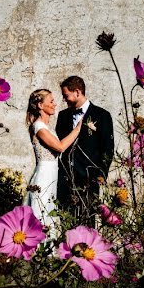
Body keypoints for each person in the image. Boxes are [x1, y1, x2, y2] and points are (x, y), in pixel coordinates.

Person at [55, 76, 114, 218]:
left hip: (89, 180)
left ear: (77, 92)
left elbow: (108, 149)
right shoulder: (63, 116)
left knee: (87, 223)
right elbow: (59, 144)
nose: (64, 100)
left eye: (66, 95)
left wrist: (100, 175)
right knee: (65, 222)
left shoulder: (102, 115)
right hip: (66, 180)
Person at [24, 89, 83, 232]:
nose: (55, 104)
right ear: (40, 105)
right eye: (51, 101)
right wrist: (77, 129)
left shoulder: (48, 127)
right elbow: (60, 147)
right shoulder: (38, 127)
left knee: (49, 212)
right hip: (43, 176)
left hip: (52, 175)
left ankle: (48, 250)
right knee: (40, 212)